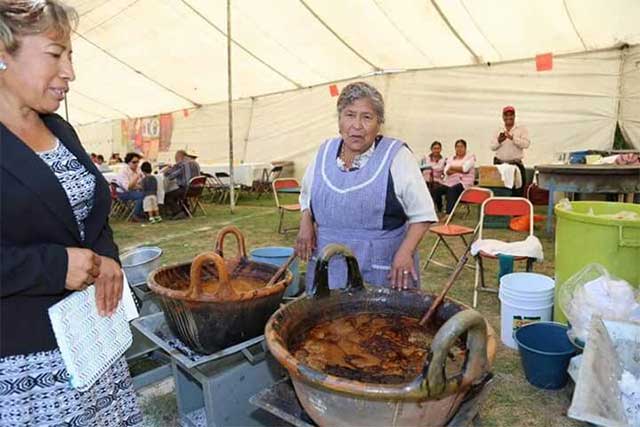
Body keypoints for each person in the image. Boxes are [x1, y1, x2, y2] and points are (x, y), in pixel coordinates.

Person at [0, 1, 142, 425]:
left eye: (71, 56)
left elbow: (91, 213)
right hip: (27, 361)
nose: (70, 73)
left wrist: (108, 257)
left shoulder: (60, 129)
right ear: (3, 54)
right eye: (55, 54)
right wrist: (53, 266)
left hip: (91, 343)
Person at [296, 82, 437, 291]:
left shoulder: (396, 156)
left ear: (379, 123)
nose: (357, 125)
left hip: (380, 268)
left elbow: (422, 214)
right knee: (327, 320)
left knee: (378, 321)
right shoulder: (324, 153)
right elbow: (307, 196)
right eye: (350, 115)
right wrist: (306, 223)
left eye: (367, 117)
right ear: (339, 121)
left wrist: (405, 252)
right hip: (329, 264)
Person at [490, 105, 530, 196]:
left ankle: (515, 209)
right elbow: (492, 147)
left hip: (515, 164)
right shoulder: (498, 129)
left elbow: (526, 144)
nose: (508, 117)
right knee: (499, 191)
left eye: (511, 115)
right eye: (506, 115)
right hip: (500, 164)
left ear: (514, 116)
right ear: (503, 117)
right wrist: (499, 140)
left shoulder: (521, 129)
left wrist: (513, 138)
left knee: (517, 191)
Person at [432, 139, 476, 219]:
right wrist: (458, 169)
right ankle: (436, 210)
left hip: (464, 183)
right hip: (450, 181)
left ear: (465, 148)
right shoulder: (451, 158)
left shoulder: (470, 157)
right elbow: (446, 171)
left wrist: (452, 168)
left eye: (461, 147)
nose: (459, 149)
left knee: (452, 190)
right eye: (457, 147)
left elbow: (465, 169)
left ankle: (449, 214)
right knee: (436, 190)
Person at [163, 149, 201, 218]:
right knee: (178, 192)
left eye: (176, 159)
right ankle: (186, 210)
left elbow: (171, 176)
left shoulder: (182, 164)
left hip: (186, 189)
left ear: (180, 157)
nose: (176, 161)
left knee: (168, 195)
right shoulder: (195, 163)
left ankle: (178, 212)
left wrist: (166, 170)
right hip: (197, 190)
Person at [115, 152, 145, 221]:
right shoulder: (123, 171)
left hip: (134, 191)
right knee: (142, 195)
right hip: (122, 193)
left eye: (138, 162)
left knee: (149, 192)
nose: (136, 164)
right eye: (134, 162)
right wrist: (137, 177)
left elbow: (143, 181)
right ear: (128, 163)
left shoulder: (138, 169)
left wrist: (140, 186)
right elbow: (128, 187)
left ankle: (144, 212)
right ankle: (135, 215)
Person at [422, 140, 446, 213]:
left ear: (441, 149)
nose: (436, 150)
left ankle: (438, 208)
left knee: (436, 188)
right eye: (435, 148)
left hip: (437, 180)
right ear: (431, 149)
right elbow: (421, 167)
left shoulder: (443, 160)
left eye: (438, 148)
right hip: (425, 179)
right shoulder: (425, 158)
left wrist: (431, 167)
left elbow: (445, 172)